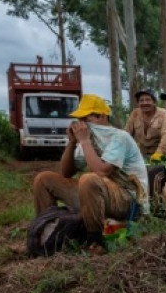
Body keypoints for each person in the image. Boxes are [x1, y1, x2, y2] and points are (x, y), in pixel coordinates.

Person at [31, 93, 149, 250]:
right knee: (43, 179)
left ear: (102, 117)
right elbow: (66, 173)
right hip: (99, 194)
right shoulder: (89, 140)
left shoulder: (120, 137)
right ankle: (45, 232)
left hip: (126, 198)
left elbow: (101, 171)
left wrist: (85, 140)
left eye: (87, 119)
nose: (82, 125)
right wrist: (72, 143)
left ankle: (95, 241)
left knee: (88, 179)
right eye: (80, 120)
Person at [124, 87, 166, 162]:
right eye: (141, 100)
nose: (144, 103)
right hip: (141, 156)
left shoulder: (163, 114)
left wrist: (158, 155)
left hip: (161, 156)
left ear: (154, 102)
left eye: (148, 100)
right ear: (138, 103)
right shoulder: (135, 114)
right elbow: (126, 135)